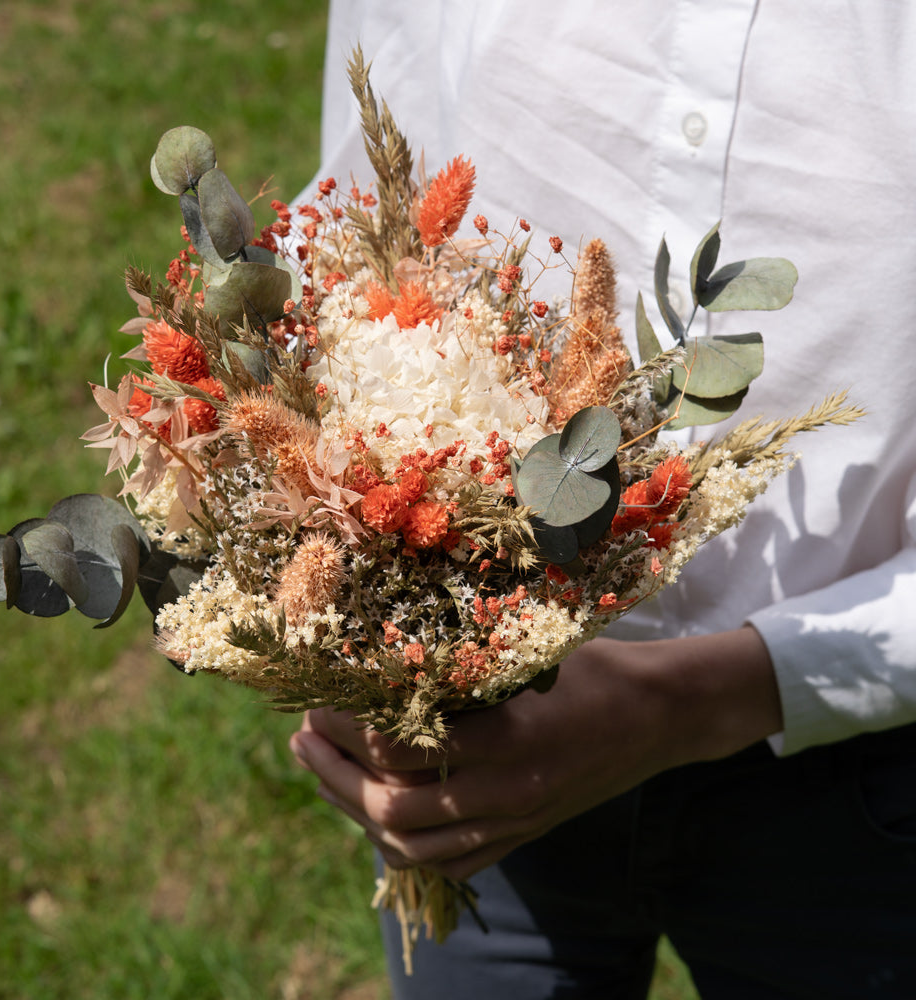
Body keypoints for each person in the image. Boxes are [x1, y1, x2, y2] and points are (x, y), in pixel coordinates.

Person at [289, 3, 916, 996]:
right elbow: (367, 217)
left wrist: (696, 701)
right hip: (474, 730)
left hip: (860, 788)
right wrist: (334, 592)